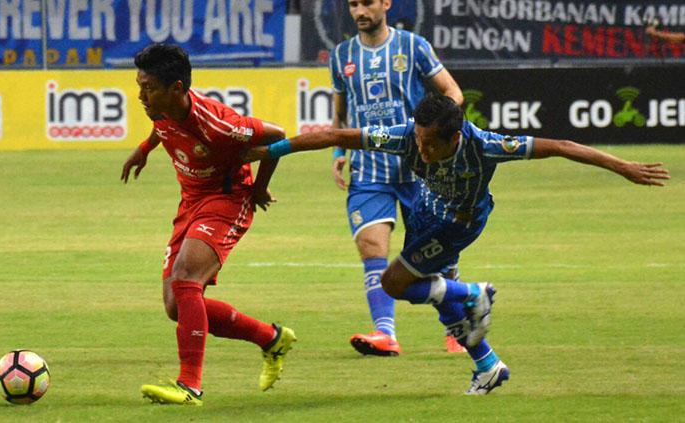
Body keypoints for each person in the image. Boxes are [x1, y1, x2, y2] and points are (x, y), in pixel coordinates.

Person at [245, 91, 669, 394]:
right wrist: (273, 151)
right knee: (445, 307)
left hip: (458, 226)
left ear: (455, 137)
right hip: (426, 212)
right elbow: (336, 137)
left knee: (394, 283)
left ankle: (473, 292)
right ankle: (487, 365)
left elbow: (560, 146)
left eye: (431, 144)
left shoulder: (485, 146)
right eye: (418, 140)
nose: (421, 150)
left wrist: (623, 166)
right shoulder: (403, 135)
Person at [121, 43, 296, 406]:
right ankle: (271, 338)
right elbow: (162, 126)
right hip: (191, 203)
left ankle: (190, 386)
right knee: (177, 305)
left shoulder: (219, 125)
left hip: (227, 199)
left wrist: (260, 187)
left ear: (176, 89)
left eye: (147, 88)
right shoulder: (161, 106)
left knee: (186, 278)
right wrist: (145, 148)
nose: (140, 96)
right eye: (139, 86)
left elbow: (278, 135)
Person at [329, 0, 465, 357]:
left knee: (438, 254)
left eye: (367, 3)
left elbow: (453, 92)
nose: (360, 11)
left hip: (419, 169)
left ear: (386, 4)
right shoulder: (341, 54)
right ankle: (385, 333)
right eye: (353, 4)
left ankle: (457, 328)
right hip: (370, 169)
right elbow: (341, 111)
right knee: (371, 246)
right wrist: (338, 152)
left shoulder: (413, 46)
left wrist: (439, 137)